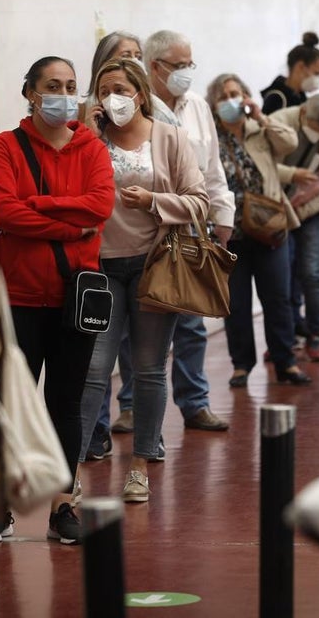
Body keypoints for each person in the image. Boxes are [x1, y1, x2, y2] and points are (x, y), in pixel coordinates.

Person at [0, 56, 115, 544]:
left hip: (75, 298)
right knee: (10, 403)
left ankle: (64, 503)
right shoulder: (4, 147)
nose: (62, 93)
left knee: (67, 402)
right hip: (16, 297)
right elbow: (4, 212)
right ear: (31, 94)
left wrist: (35, 206)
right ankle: (2, 504)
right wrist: (68, 221)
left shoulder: (93, 150)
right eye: (52, 86)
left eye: (71, 85)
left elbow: (100, 207)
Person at [77, 58, 209, 503]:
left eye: (120, 88)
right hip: (101, 268)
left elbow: (198, 200)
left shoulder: (168, 137)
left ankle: (140, 464)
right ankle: (72, 469)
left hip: (154, 265)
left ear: (139, 93)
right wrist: (86, 133)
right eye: (103, 90)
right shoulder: (89, 139)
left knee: (150, 368)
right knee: (95, 369)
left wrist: (154, 200)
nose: (112, 98)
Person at [209, 73, 312, 387]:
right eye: (224, 96)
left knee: (277, 298)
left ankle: (286, 362)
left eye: (236, 93)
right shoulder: (209, 138)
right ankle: (241, 365)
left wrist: (261, 115)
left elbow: (290, 142)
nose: (230, 100)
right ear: (213, 103)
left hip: (269, 229)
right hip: (231, 235)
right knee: (236, 304)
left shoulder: (258, 130)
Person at [271, 94, 319, 363]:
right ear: (304, 113)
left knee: (312, 272)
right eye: (316, 126)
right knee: (282, 274)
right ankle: (286, 336)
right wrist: (291, 176)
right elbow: (261, 162)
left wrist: (302, 211)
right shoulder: (280, 121)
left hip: (310, 212)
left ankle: (316, 333)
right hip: (275, 209)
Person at [260, 32, 319, 114]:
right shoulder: (277, 99)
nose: (317, 79)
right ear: (300, 67)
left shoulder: (301, 99)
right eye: (316, 73)